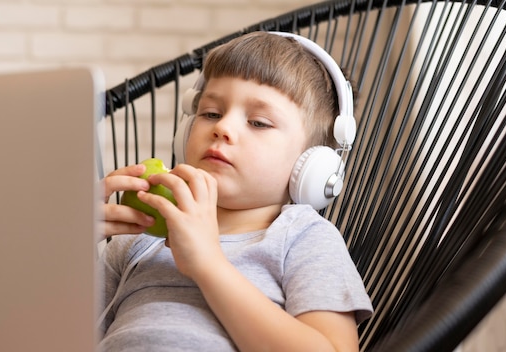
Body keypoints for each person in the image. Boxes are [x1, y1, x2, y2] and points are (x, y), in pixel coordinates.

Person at [99, 31, 373, 351]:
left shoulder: (303, 237)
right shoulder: (137, 240)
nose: (222, 128)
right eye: (211, 113)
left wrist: (207, 264)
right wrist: (64, 251)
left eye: (258, 122)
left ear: (312, 164)